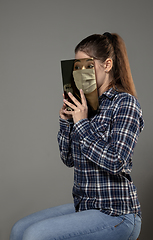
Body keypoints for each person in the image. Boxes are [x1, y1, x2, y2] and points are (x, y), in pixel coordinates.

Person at [10, 32, 144, 240]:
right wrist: (66, 122)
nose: (81, 73)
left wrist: (81, 123)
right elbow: (68, 159)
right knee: (20, 229)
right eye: (77, 66)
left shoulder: (125, 103)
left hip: (117, 213)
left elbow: (117, 161)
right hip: (86, 206)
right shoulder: (86, 106)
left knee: (34, 235)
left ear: (107, 65)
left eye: (87, 65)